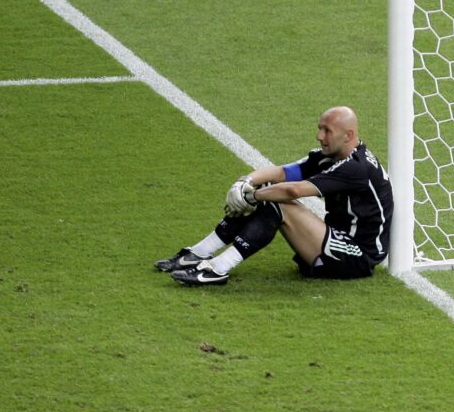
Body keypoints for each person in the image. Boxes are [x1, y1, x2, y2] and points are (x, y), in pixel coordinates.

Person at [155, 106, 393, 286]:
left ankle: (217, 268)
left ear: (348, 135)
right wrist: (246, 182)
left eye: (327, 131)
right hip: (335, 241)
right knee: (269, 187)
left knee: (278, 201)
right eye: (319, 128)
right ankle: (196, 254)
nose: (320, 136)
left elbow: (294, 190)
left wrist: (252, 196)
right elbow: (282, 172)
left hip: (357, 255)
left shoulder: (356, 168)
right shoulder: (329, 155)